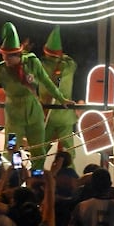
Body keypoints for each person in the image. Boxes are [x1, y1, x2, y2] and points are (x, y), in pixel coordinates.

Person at [0, 22, 74, 169]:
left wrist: (61, 99)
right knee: (11, 149)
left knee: (39, 150)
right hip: (14, 116)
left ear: (17, 54)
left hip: (34, 113)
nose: (5, 59)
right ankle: (15, 176)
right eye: (3, 56)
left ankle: (36, 179)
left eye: (8, 56)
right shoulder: (1, 70)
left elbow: (47, 82)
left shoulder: (32, 63)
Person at [39, 25, 78, 158]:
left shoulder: (41, 65)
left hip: (47, 113)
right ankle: (70, 173)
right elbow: (71, 61)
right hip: (65, 114)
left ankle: (37, 174)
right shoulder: (69, 65)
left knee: (41, 149)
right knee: (68, 150)